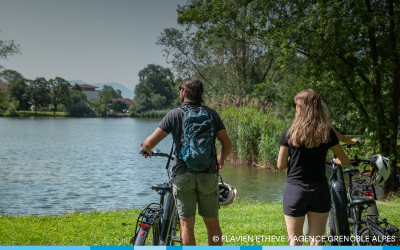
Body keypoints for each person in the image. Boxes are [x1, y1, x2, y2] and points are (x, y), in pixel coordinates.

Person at [140, 77, 232, 246]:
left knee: (186, 225)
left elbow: (149, 143)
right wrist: (221, 159)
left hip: (183, 175)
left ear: (183, 92)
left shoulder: (174, 114)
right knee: (212, 223)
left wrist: (146, 150)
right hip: (208, 174)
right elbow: (227, 145)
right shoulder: (211, 114)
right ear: (201, 94)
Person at [277, 89, 350, 246]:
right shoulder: (327, 132)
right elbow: (345, 161)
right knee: (317, 241)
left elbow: (281, 165)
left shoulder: (289, 132)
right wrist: (337, 161)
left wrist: (293, 161)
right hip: (319, 190)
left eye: (295, 104)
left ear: (300, 107)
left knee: (295, 241)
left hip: (295, 190)